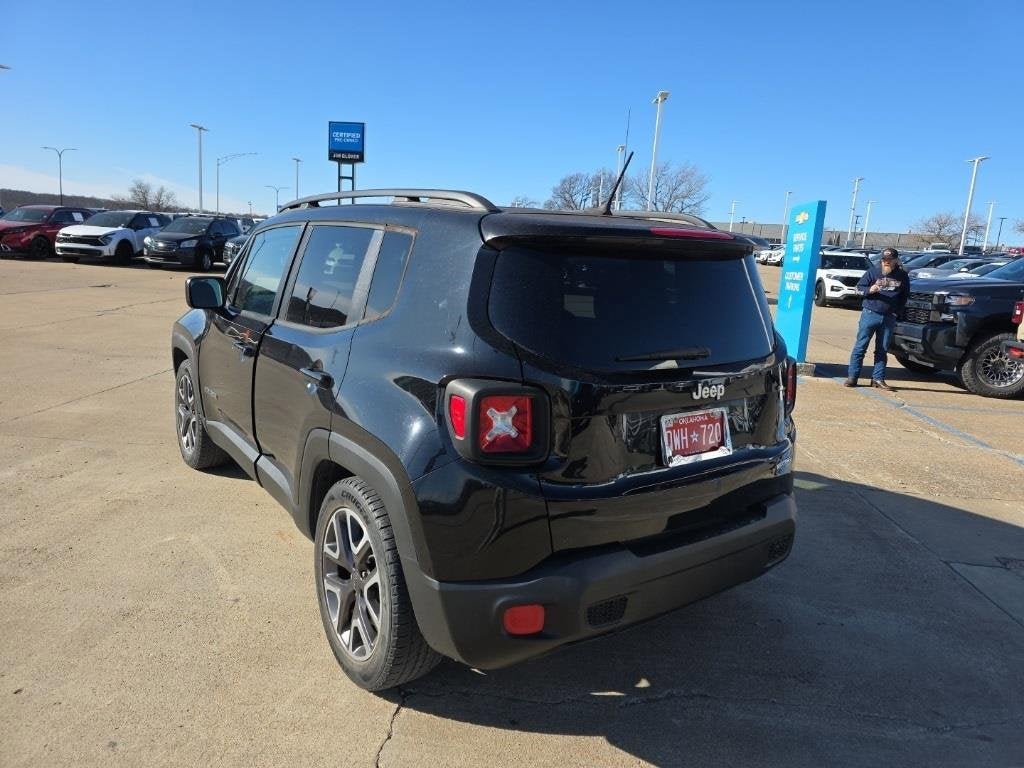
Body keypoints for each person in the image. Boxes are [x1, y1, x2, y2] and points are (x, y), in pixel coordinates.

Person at [845, 247, 910, 390]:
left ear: (896, 261)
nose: (886, 262)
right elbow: (858, 289)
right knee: (861, 346)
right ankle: (853, 377)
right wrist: (869, 290)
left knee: (882, 349)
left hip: (888, 317)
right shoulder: (872, 272)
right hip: (870, 314)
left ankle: (878, 379)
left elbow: (904, 297)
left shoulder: (902, 276)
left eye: (889, 260)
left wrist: (896, 312)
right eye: (884, 260)